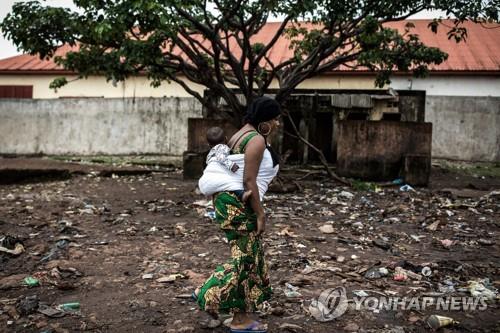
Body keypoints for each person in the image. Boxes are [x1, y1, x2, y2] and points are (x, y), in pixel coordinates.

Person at [194, 96, 281, 333]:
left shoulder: (241, 134)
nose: (277, 124)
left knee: (248, 257)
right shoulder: (255, 141)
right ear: (264, 120)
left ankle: (237, 312)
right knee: (245, 259)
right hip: (238, 204)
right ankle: (215, 299)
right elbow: (248, 180)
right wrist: (260, 215)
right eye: (274, 119)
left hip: (230, 202)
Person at [204, 126, 252, 202]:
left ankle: (212, 201)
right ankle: (242, 195)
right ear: (226, 139)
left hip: (212, 173)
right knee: (231, 183)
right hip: (219, 171)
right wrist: (231, 165)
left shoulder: (212, 152)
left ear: (209, 145)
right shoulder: (222, 147)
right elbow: (221, 157)